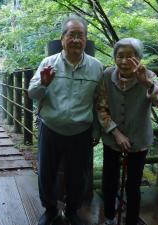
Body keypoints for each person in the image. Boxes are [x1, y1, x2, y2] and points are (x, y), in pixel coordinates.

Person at [28, 15, 103, 225]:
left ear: (86, 39)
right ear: (62, 39)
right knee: (46, 173)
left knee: (78, 176)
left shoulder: (97, 67)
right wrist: (43, 83)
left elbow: (99, 102)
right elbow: (32, 93)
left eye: (81, 36)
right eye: (72, 35)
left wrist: (96, 131)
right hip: (51, 127)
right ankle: (50, 210)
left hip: (81, 131)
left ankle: (72, 211)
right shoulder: (48, 64)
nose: (76, 40)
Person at [96, 38, 158, 225]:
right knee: (109, 181)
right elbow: (101, 108)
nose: (123, 61)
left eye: (130, 57)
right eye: (119, 56)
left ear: (139, 59)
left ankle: (131, 220)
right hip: (112, 137)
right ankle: (109, 217)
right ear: (114, 58)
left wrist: (147, 84)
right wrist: (116, 133)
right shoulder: (107, 75)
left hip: (139, 138)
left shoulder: (148, 76)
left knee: (133, 186)